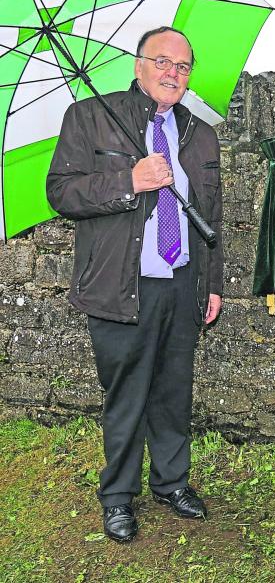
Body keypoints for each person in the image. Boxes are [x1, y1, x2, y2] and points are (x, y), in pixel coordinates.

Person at [47, 27, 224, 543]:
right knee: (125, 396)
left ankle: (171, 482)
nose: (174, 73)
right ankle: (118, 497)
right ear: (138, 65)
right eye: (163, 62)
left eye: (184, 66)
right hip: (121, 285)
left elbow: (211, 213)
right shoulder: (89, 117)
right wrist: (130, 181)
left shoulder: (200, 133)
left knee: (173, 392)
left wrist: (212, 284)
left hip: (183, 280)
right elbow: (61, 193)